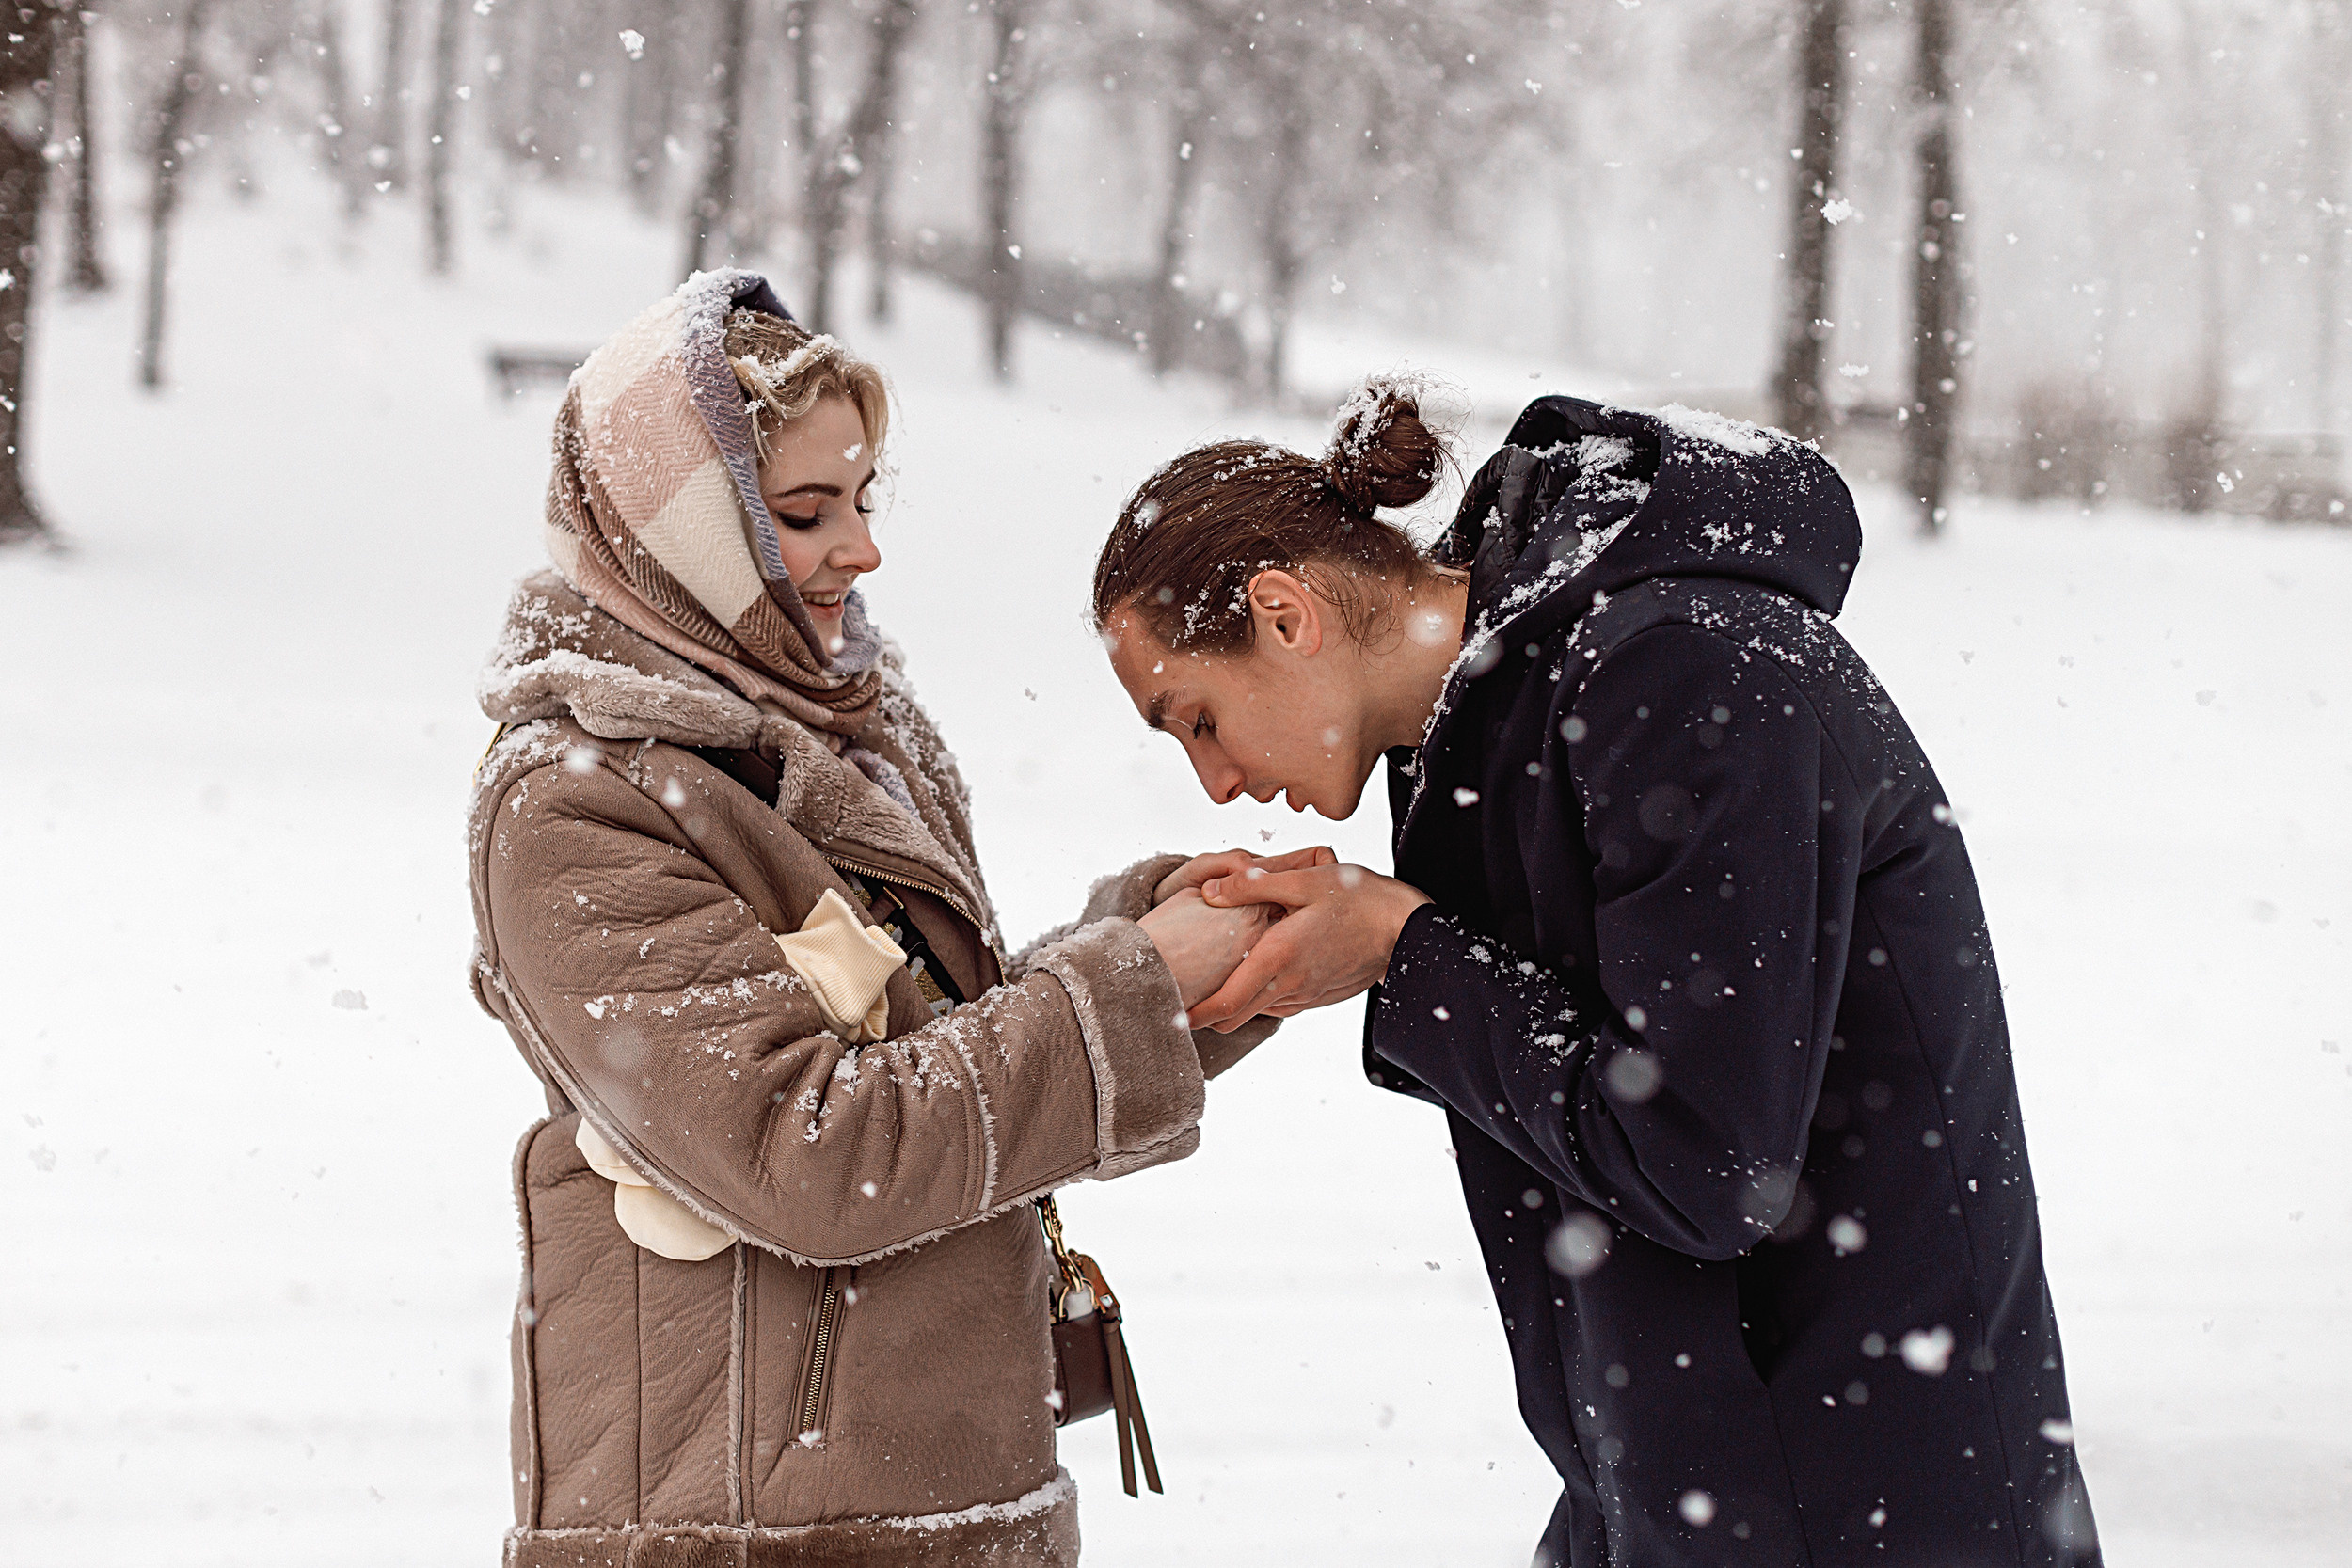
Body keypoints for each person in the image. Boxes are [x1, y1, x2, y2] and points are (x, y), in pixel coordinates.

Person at [1089, 383, 2100, 1566]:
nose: (1214, 783)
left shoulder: (1681, 670)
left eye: (1196, 719)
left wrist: (1401, 949)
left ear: (1283, 613)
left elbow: (1704, 1157)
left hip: (1859, 1505)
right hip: (1689, 1488)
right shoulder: (1496, 721)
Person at [465, 270, 1277, 1566]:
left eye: (862, 497)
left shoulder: (856, 727)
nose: (862, 547)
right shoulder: (579, 802)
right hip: (749, 1529)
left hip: (945, 1483)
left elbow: (939, 1039)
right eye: (803, 511)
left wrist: (1177, 960)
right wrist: (1124, 991)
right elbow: (810, 1150)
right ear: (682, 533)